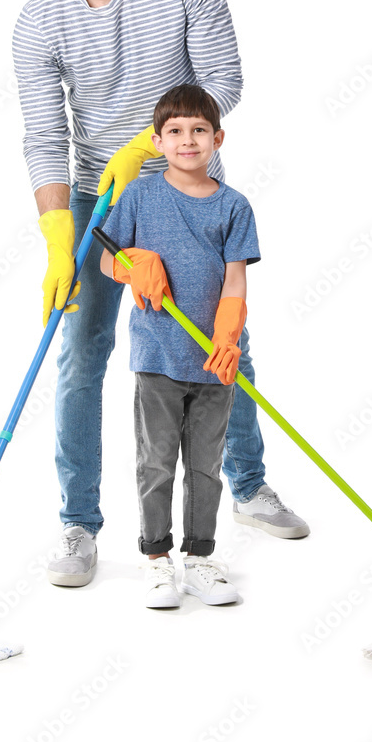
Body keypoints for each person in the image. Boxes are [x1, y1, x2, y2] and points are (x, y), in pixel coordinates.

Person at [13, 0, 309, 588]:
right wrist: (59, 239)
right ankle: (79, 524)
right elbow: (46, 138)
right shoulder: (37, 22)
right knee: (82, 351)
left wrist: (147, 143)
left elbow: (222, 81)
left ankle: (246, 486)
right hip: (99, 201)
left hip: (187, 181)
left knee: (217, 341)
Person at [100, 85, 257, 607]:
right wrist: (130, 264)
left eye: (198, 130)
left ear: (218, 138)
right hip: (157, 355)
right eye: (175, 131)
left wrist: (229, 335)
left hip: (214, 359)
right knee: (157, 463)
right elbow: (105, 260)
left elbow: (235, 280)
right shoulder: (140, 197)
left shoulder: (234, 206)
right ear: (156, 140)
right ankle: (157, 560)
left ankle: (200, 560)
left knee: (207, 465)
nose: (187, 140)